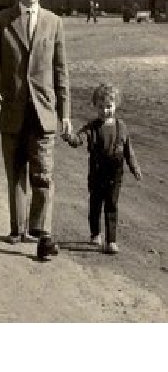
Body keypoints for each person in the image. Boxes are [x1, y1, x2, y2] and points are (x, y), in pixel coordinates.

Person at [0, 0, 71, 261]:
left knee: (43, 175)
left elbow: (61, 71)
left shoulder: (54, 23)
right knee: (15, 172)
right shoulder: (2, 20)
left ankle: (42, 234)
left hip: (43, 111)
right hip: (11, 110)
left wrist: (65, 113)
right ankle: (18, 228)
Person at [63, 83, 142, 254]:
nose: (105, 110)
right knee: (95, 204)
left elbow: (128, 150)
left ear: (116, 105)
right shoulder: (92, 127)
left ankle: (111, 241)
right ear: (95, 106)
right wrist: (69, 137)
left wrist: (134, 167)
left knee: (112, 205)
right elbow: (79, 139)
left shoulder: (122, 127)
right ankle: (95, 233)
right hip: (97, 172)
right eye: (101, 107)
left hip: (115, 173)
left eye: (109, 106)